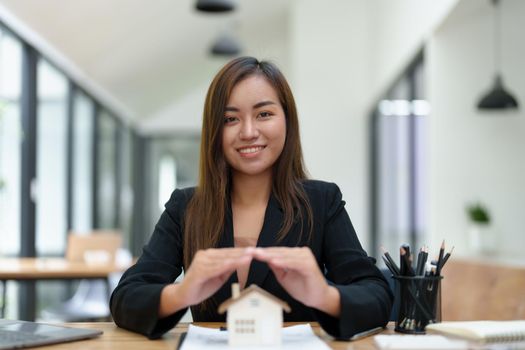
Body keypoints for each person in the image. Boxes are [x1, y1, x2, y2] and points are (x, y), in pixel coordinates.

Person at [110, 56, 393, 340]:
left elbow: (378, 294)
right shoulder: (186, 207)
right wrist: (181, 293)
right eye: (230, 119)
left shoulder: (321, 201)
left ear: (287, 119)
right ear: (214, 131)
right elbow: (125, 298)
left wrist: (324, 295)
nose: (248, 132)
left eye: (264, 114)